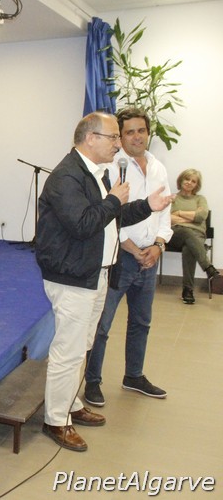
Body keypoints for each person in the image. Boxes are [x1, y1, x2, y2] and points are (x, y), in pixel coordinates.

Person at [35, 111, 172, 452]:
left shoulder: (96, 172)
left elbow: (113, 216)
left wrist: (147, 205)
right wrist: (113, 200)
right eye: (113, 137)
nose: (118, 144)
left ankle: (72, 403)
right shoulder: (66, 176)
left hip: (95, 272)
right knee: (68, 350)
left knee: (82, 344)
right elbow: (83, 224)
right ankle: (56, 420)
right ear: (90, 138)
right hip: (72, 276)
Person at [84, 108, 172, 408]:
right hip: (121, 256)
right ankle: (92, 382)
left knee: (141, 322)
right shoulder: (112, 168)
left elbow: (165, 211)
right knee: (102, 325)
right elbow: (109, 215)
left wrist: (158, 245)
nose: (137, 137)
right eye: (129, 132)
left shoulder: (158, 167)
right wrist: (132, 248)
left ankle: (133, 375)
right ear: (119, 137)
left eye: (141, 130)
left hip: (150, 257)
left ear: (148, 133)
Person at [168, 168, 220, 304]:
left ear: (197, 185)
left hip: (197, 236)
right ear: (181, 180)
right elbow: (168, 219)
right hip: (176, 234)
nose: (189, 183)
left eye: (193, 181)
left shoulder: (200, 199)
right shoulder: (172, 198)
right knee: (186, 232)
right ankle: (207, 267)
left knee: (189, 248)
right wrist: (192, 218)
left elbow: (201, 216)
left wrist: (179, 213)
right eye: (187, 179)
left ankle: (187, 291)